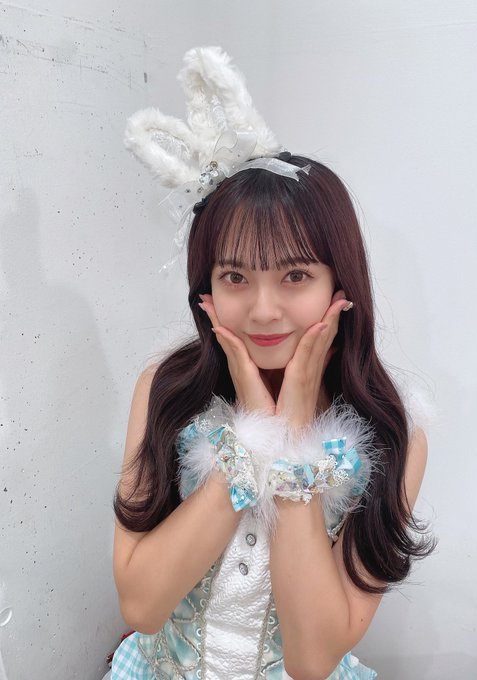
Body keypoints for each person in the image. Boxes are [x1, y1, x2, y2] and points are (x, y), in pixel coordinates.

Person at [110, 47, 435, 680]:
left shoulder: (394, 430)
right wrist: (252, 438)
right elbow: (142, 606)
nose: (262, 310)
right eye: (235, 276)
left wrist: (290, 450)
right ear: (205, 285)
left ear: (341, 282)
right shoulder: (167, 389)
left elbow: (313, 659)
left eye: (295, 275)